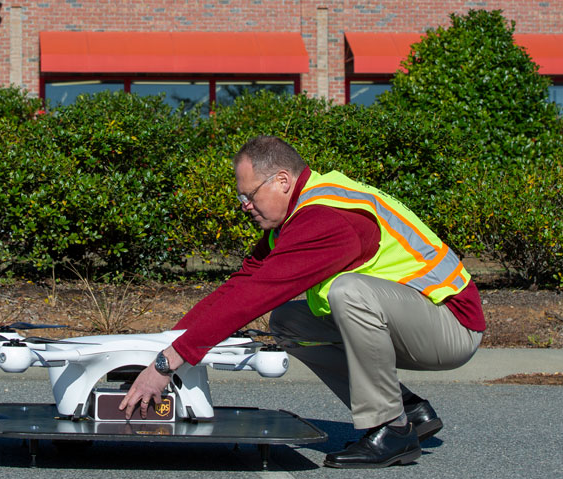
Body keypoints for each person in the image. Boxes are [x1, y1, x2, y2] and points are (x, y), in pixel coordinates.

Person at [119, 135, 485, 468]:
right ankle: (408, 411)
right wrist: (165, 346)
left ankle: (392, 430)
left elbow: (256, 296)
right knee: (288, 320)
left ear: (282, 181)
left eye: (249, 195)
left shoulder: (326, 218)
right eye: (240, 197)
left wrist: (168, 364)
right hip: (409, 321)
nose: (244, 206)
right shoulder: (294, 216)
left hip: (450, 325)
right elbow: (242, 285)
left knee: (350, 293)